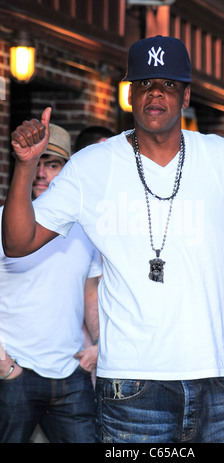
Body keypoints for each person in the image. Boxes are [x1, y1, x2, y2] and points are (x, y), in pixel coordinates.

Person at [2, 35, 224, 443]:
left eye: (168, 84)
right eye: (144, 83)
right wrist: (25, 166)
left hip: (215, 379)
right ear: (129, 94)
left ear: (186, 95)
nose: (155, 93)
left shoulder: (222, 156)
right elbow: (18, 243)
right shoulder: (93, 165)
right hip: (131, 385)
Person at [0, 123, 102, 443]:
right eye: (37, 163)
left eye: (53, 164)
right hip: (13, 372)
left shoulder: (86, 228)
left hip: (70, 373)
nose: (42, 174)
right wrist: (3, 363)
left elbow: (90, 292)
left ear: (67, 170)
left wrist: (100, 345)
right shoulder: (3, 221)